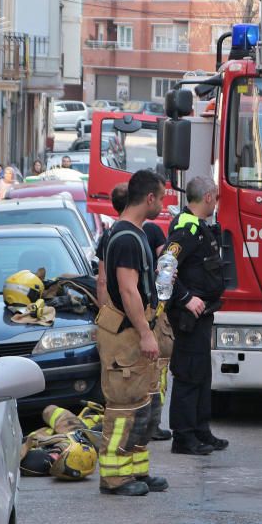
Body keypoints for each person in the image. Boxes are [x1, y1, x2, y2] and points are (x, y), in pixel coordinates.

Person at [97, 169, 167, 497]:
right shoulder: (126, 238)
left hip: (135, 333)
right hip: (126, 335)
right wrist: (145, 333)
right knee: (124, 409)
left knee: (143, 406)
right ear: (149, 198)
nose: (163, 205)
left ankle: (137, 471)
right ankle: (114, 478)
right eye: (161, 198)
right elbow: (128, 291)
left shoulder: (133, 233)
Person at [164, 177, 228, 455]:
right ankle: (183, 437)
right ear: (209, 197)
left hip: (203, 314)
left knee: (202, 373)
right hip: (189, 315)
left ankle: (201, 431)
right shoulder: (186, 228)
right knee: (189, 373)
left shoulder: (199, 227)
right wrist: (186, 298)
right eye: (216, 196)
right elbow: (165, 267)